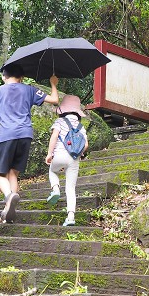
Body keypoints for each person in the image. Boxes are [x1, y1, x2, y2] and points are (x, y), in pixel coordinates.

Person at [0, 65, 59, 223]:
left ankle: (9, 196)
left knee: (1, 175)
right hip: (26, 135)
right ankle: (8, 213)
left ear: (3, 76)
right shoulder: (29, 89)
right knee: (13, 174)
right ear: (22, 77)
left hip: (7, 136)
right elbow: (54, 100)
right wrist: (53, 83)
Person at [45, 94, 88, 227]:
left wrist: (49, 154)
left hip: (59, 155)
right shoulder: (81, 127)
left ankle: (56, 189)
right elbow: (86, 145)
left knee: (52, 171)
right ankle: (70, 217)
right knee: (70, 188)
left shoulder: (60, 122)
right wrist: (78, 153)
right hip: (74, 159)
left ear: (63, 110)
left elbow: (54, 137)